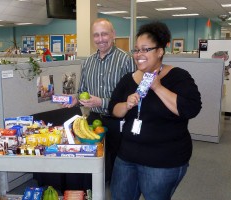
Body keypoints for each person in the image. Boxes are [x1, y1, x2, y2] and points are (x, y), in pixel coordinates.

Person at [108, 21, 202, 200]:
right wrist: (127, 105)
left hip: (163, 160)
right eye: (136, 50)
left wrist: (158, 87)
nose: (139, 55)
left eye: (145, 49)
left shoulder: (178, 77)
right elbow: (114, 109)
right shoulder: (128, 79)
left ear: (160, 51)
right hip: (127, 156)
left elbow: (191, 109)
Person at [63, 18, 136, 187]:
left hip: (118, 120)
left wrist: (101, 101)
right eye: (96, 35)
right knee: (96, 160)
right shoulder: (88, 62)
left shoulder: (125, 60)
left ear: (113, 35)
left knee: (119, 162)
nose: (100, 39)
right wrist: (75, 98)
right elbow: (82, 90)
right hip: (94, 119)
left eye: (104, 34)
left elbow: (131, 97)